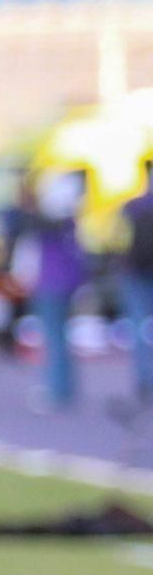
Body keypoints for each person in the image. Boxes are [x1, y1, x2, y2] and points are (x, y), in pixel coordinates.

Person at [22, 169, 88, 412]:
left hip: (52, 283)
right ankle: (62, 387)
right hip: (65, 283)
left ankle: (57, 389)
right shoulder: (69, 220)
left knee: (54, 337)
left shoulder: (52, 222)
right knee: (59, 336)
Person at [119, 157, 153, 410]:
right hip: (138, 272)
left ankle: (145, 380)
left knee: (140, 326)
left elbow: (117, 239)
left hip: (135, 273)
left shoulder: (133, 206)